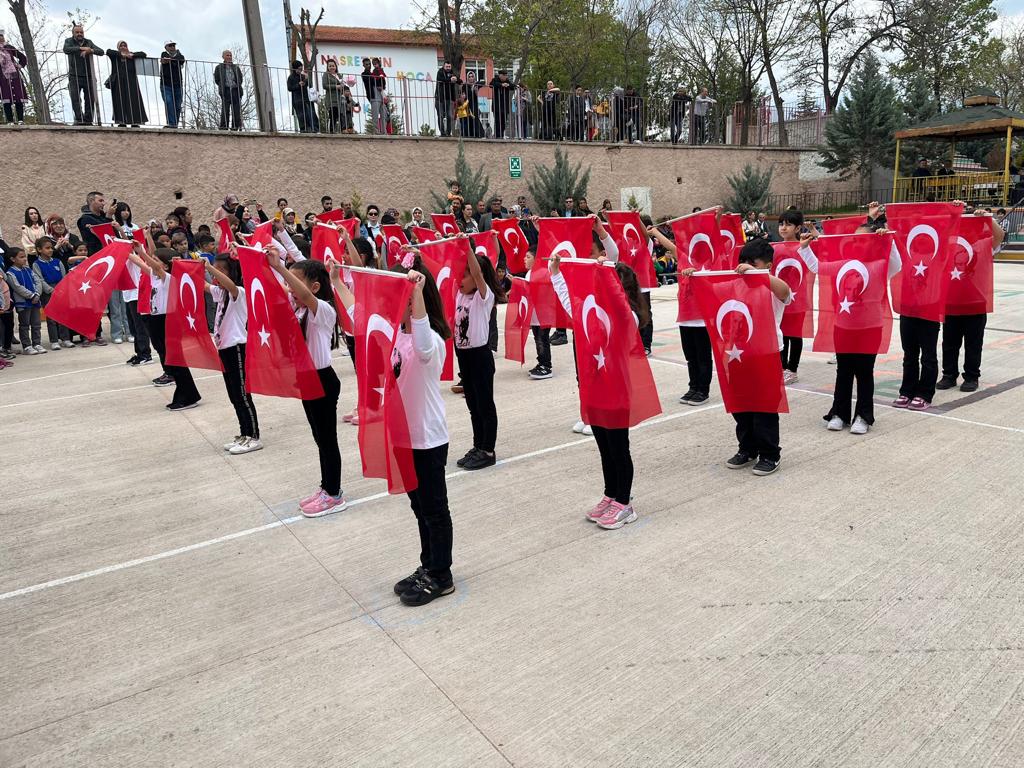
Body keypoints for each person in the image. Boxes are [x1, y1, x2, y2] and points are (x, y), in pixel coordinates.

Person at [335, 251, 456, 606]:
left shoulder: (430, 340)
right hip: (403, 438)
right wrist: (335, 281)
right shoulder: (396, 335)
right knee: (419, 509)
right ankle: (427, 565)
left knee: (435, 510)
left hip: (428, 438)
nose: (390, 304)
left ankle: (442, 575)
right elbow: (361, 313)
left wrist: (415, 292)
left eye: (397, 299)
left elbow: (421, 341)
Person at [547, 250, 647, 530]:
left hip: (616, 391)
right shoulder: (592, 311)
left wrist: (604, 276)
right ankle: (610, 493)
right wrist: (555, 272)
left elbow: (619, 307)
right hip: (596, 389)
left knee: (618, 447)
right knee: (603, 447)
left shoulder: (629, 317)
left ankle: (625, 503)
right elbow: (569, 302)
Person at [272, 254, 346, 517]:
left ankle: (334, 494)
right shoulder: (300, 308)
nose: (290, 288)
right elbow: (281, 287)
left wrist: (279, 266)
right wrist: (260, 257)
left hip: (322, 379)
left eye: (296, 283)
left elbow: (300, 292)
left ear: (314, 287)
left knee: (327, 440)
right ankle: (326, 486)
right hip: (306, 379)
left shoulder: (323, 309)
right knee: (319, 438)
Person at [725, 238, 792, 476]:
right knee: (741, 404)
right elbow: (712, 291)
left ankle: (770, 453)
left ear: (768, 265)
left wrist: (757, 273)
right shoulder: (737, 284)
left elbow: (785, 292)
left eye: (752, 262)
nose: (745, 267)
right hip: (739, 355)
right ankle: (747, 448)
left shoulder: (770, 287)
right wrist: (693, 275)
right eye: (742, 261)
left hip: (767, 353)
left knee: (764, 405)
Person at [937, 210, 1004, 393]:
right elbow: (939, 231)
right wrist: (952, 213)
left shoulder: (983, 245)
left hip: (975, 303)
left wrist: (987, 218)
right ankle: (949, 375)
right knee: (949, 343)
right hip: (951, 303)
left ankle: (971, 377)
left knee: (973, 344)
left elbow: (1000, 235)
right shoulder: (950, 244)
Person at [130, 243, 202, 408]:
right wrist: (122, 249)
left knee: (176, 360)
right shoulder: (154, 276)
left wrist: (143, 252)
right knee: (169, 359)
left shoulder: (168, 278)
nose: (151, 263)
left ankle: (189, 396)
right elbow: (141, 263)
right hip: (157, 320)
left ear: (166, 265)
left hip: (167, 321)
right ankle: (185, 394)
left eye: (155, 260)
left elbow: (152, 265)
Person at [453, 238, 502, 471]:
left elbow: (477, 271)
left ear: (476, 276)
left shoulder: (484, 297)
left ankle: (488, 450)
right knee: (472, 404)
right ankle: (477, 445)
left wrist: (467, 249)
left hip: (480, 356)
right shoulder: (460, 295)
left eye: (465, 275)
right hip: (464, 356)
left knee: (484, 404)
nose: (459, 280)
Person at [206, 249, 262, 454]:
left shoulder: (239, 292)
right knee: (233, 395)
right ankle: (244, 433)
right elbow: (203, 285)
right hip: (224, 348)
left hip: (237, 348)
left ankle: (254, 435)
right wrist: (186, 266)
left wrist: (210, 267)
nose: (215, 274)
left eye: (222, 270)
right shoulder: (220, 293)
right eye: (215, 270)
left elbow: (230, 286)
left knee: (242, 394)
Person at [76, 190, 117, 344]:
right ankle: (89, 333)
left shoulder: (100, 218)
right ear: (91, 201)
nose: (103, 203)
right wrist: (108, 218)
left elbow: (111, 234)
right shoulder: (85, 219)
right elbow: (98, 233)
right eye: (100, 200)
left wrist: (108, 219)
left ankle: (106, 331)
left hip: (108, 261)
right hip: (95, 262)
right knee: (91, 300)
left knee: (105, 301)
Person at [776, 209, 806, 384]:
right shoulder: (774, 248)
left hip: (797, 300)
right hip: (778, 300)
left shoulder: (804, 247)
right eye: (781, 224)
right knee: (780, 334)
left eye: (788, 224)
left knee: (794, 335)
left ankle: (792, 369)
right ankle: (781, 366)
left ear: (797, 228)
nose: (783, 228)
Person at [31, 237, 73, 350]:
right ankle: (54, 340)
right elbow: (40, 279)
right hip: (47, 292)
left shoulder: (57, 262)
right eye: (47, 248)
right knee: (51, 318)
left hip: (61, 290)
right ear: (39, 250)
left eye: (51, 248)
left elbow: (64, 277)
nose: (50, 250)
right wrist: (51, 290)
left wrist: (62, 289)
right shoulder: (36, 264)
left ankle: (65, 339)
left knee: (63, 316)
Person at [5, 247, 44, 355]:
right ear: (13, 259)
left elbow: (37, 281)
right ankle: (27, 346)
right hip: (24, 303)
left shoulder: (28, 270)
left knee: (36, 324)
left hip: (35, 301)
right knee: (24, 325)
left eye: (25, 257)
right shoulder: (10, 273)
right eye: (21, 257)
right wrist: (31, 296)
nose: (25, 259)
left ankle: (37, 343)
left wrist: (37, 294)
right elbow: (17, 287)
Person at [62, 24, 102, 126]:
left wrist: (91, 50)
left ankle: (88, 121)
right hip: (74, 75)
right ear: (73, 33)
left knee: (90, 99)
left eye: (81, 32)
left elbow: (101, 51)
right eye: (77, 32)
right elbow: (66, 49)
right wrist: (81, 49)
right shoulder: (69, 41)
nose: (80, 34)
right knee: (75, 98)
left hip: (89, 76)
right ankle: (79, 120)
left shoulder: (89, 42)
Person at [106, 41, 148, 127]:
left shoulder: (131, 56)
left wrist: (132, 55)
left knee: (133, 100)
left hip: (131, 82)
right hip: (118, 82)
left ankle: (135, 122)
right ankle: (122, 121)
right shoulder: (116, 57)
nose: (123, 47)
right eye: (121, 46)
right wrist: (122, 55)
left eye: (125, 45)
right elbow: (108, 51)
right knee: (119, 101)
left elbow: (143, 54)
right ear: (118, 48)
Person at [0, 30, 27, 125]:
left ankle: (20, 120)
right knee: (6, 98)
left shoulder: (9, 48)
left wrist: (19, 66)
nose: (1, 38)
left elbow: (22, 57)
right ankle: (10, 121)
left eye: (2, 36)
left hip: (14, 76)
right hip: (2, 77)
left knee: (18, 97)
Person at [213, 50, 244, 131]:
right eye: (227, 55)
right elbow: (217, 79)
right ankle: (223, 127)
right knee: (225, 110)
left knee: (236, 110)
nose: (229, 57)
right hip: (226, 90)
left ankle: (235, 127)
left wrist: (237, 85)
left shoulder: (236, 67)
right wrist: (222, 85)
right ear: (223, 57)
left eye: (230, 55)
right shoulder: (219, 67)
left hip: (235, 90)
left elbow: (240, 78)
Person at [287, 60, 318, 134]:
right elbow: (289, 88)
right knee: (301, 115)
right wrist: (298, 85)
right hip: (297, 100)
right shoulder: (291, 77)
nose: (300, 70)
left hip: (306, 98)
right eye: (299, 69)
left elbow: (309, 85)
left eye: (301, 69)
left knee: (311, 113)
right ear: (295, 69)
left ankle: (314, 128)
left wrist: (306, 79)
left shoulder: (303, 76)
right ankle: (304, 129)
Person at [159, 41, 185, 129]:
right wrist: (173, 61)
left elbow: (181, 60)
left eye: (173, 45)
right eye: (170, 45)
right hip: (166, 84)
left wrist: (171, 61)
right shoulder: (163, 53)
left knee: (178, 105)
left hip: (178, 84)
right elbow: (164, 60)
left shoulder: (180, 55)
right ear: (166, 47)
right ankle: (172, 124)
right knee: (169, 102)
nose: (172, 47)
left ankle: (174, 124)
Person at [434, 61, 460, 137]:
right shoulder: (440, 72)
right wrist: (450, 80)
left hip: (449, 98)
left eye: (449, 67)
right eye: (447, 67)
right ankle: (442, 133)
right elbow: (440, 79)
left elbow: (459, 81)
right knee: (441, 115)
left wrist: (456, 79)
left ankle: (448, 133)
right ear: (444, 66)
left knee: (450, 116)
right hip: (440, 98)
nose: (448, 68)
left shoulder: (452, 73)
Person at [488, 69, 513, 139]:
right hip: (497, 106)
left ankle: (501, 135)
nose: (505, 77)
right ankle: (497, 135)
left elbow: (512, 86)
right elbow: (491, 85)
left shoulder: (507, 81)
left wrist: (508, 85)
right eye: (504, 75)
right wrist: (501, 85)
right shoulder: (495, 80)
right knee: (497, 121)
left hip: (505, 106)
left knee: (504, 122)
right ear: (500, 75)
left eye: (506, 75)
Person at [322, 59, 345, 134]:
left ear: (336, 66)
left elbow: (342, 84)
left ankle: (343, 130)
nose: (332, 67)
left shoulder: (339, 75)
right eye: (330, 66)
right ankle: (332, 130)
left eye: (333, 66)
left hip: (339, 98)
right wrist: (336, 86)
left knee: (340, 114)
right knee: (333, 114)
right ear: (327, 67)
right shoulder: (326, 74)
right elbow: (324, 85)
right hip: (331, 98)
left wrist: (343, 86)